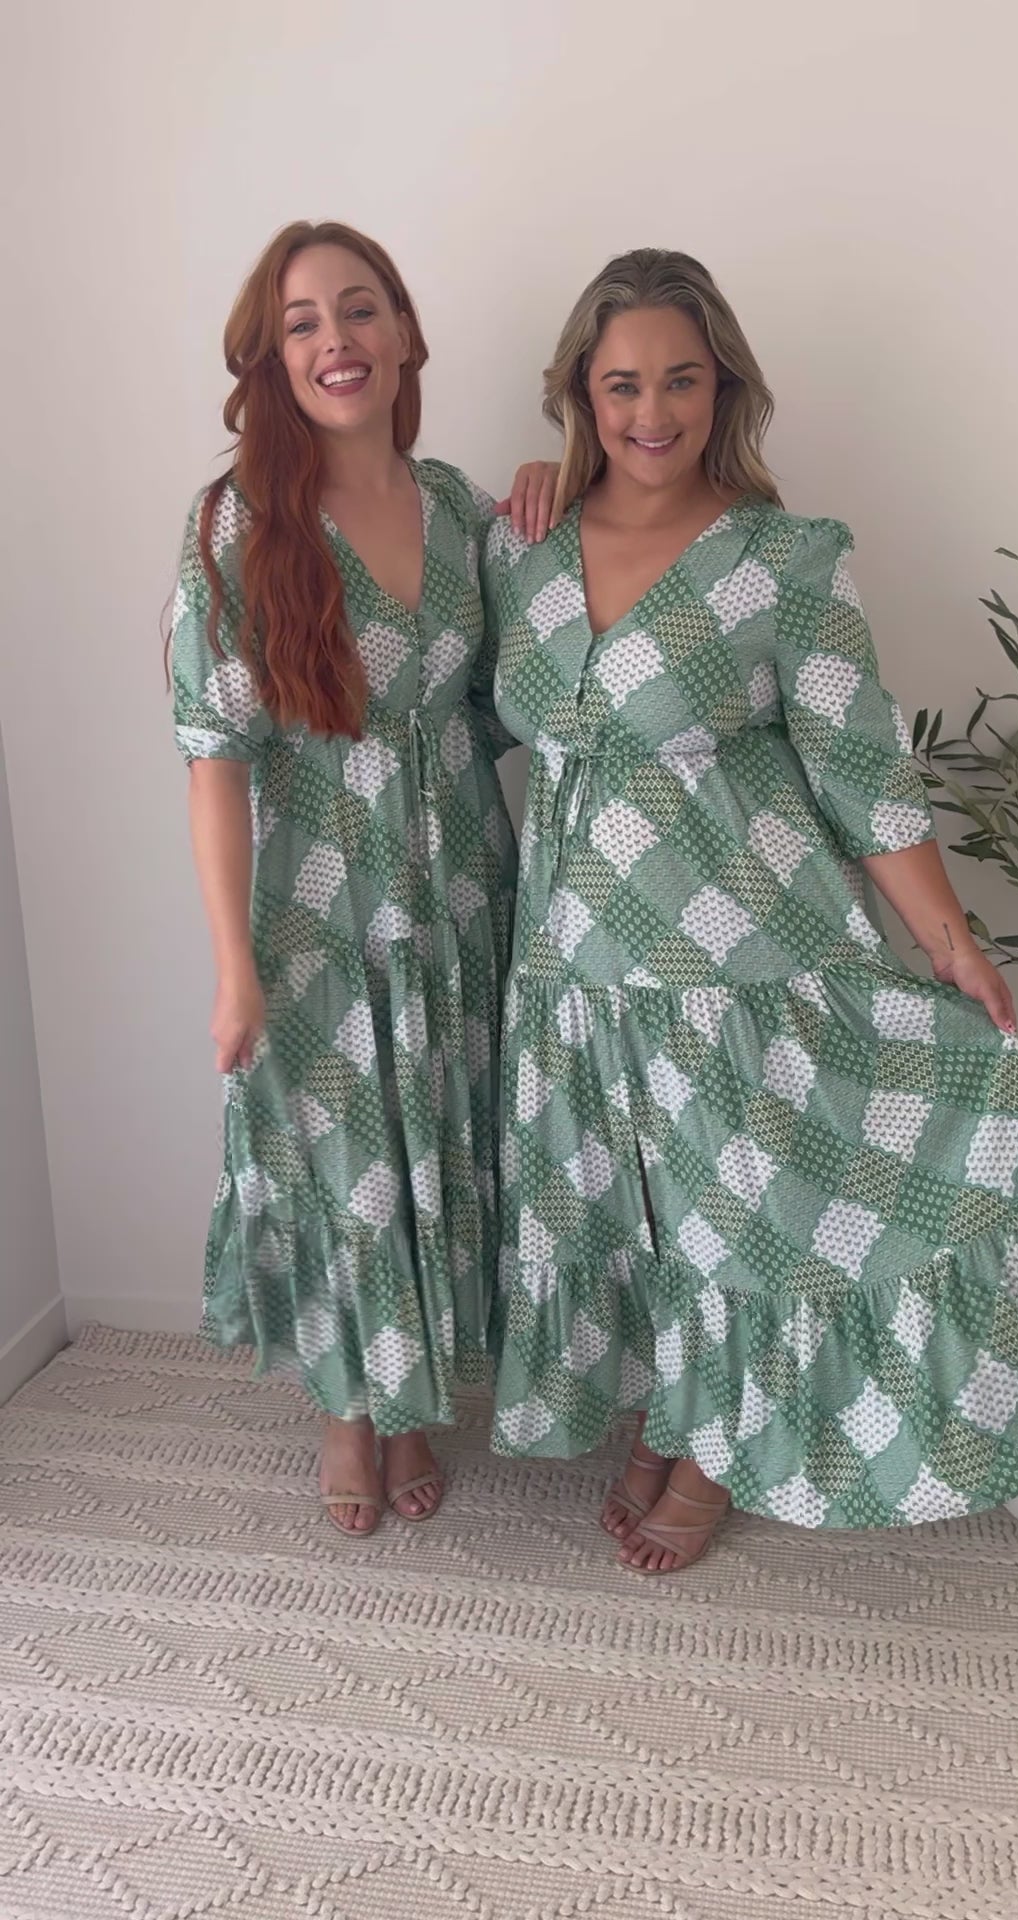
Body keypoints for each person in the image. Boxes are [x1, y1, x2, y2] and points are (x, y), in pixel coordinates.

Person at [482, 246, 1018, 1574]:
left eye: (681, 380)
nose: (652, 412)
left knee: (737, 1214)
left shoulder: (784, 559)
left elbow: (861, 764)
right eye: (623, 383)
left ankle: (712, 1451)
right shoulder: (520, 551)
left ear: (725, 388)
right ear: (580, 391)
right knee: (639, 1214)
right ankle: (672, 1409)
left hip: (741, 958)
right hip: (574, 969)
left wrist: (950, 943)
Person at [170, 220, 555, 1536]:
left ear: (404, 333)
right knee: (345, 1164)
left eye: (359, 308)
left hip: (463, 896)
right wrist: (233, 967)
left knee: (440, 1136)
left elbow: (535, 675)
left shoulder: (458, 509)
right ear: (272, 360)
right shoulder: (239, 523)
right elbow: (214, 761)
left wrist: (551, 490)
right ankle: (351, 1409)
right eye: (302, 323)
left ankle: (412, 1400)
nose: (336, 340)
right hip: (318, 911)